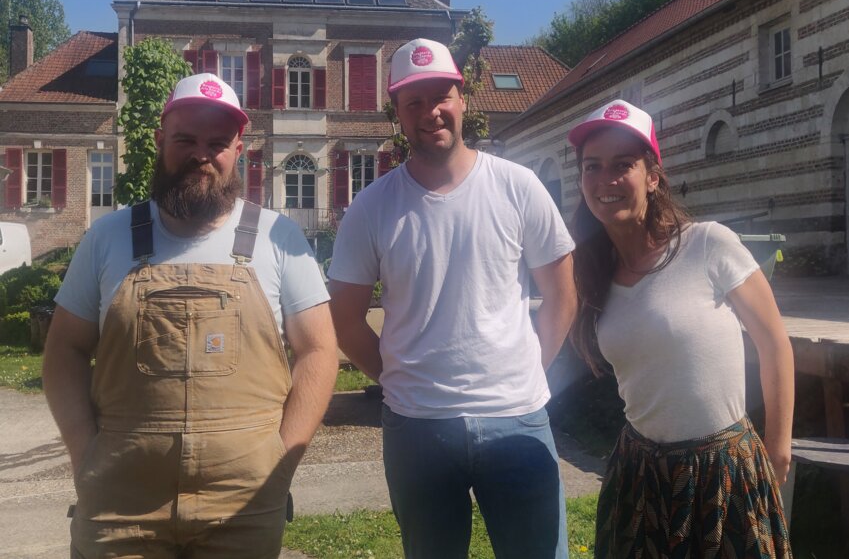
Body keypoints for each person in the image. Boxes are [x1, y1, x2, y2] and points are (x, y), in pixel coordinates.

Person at [43, 72, 339, 558]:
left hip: (244, 506)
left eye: (218, 142)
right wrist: (85, 457)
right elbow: (64, 350)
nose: (202, 154)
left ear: (239, 150)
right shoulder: (108, 237)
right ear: (161, 141)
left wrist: (281, 464)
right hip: (119, 504)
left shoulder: (278, 237)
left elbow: (319, 350)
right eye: (185, 139)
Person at [328, 38, 577, 559]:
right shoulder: (372, 208)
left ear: (462, 97)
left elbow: (562, 294)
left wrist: (532, 367)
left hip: (517, 416)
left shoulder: (519, 187)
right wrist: (399, 378)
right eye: (413, 102)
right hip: (417, 428)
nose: (430, 112)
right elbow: (345, 319)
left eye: (441, 96)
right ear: (396, 112)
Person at [566, 99, 794, 558]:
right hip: (640, 473)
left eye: (622, 165)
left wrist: (779, 447)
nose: (605, 180)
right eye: (593, 167)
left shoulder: (708, 244)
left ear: (653, 177)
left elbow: (774, 343)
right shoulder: (589, 273)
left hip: (725, 469)